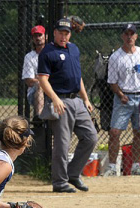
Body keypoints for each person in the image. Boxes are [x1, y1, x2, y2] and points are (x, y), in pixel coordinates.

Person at [37, 18, 98, 193]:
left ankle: (72, 173)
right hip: (60, 101)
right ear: (54, 32)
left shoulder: (73, 49)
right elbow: (42, 79)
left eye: (67, 33)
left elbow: (77, 76)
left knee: (91, 137)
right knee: (62, 144)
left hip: (77, 101)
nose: (63, 36)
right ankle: (60, 182)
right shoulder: (48, 52)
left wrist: (85, 99)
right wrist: (55, 99)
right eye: (61, 33)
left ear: (70, 34)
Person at [104, 24, 140, 176]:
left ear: (136, 36)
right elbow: (112, 81)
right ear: (122, 36)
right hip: (123, 98)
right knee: (114, 132)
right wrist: (120, 94)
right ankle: (112, 167)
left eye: (132, 34)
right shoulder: (116, 57)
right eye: (126, 34)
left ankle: (136, 165)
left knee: (139, 132)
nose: (129, 37)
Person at [22, 25, 47, 117]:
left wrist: (39, 78)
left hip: (52, 88)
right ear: (32, 39)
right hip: (34, 91)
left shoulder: (51, 54)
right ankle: (39, 118)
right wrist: (44, 81)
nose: (38, 38)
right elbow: (29, 81)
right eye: (35, 36)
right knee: (40, 85)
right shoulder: (29, 57)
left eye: (40, 35)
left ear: (46, 36)